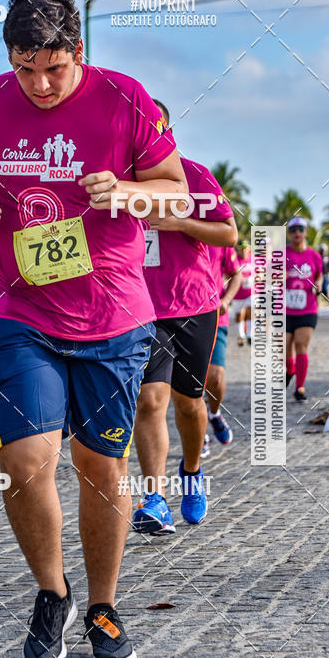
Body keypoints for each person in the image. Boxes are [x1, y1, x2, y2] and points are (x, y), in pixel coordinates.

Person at [0, 0, 187, 658]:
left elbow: (174, 189)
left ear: (78, 52)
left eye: (52, 67)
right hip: (16, 311)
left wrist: (131, 192)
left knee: (98, 465)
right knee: (25, 464)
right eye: (25, 68)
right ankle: (52, 593)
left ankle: (104, 604)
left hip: (112, 314)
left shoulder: (125, 98)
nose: (40, 84)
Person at [132, 100, 238, 537]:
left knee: (189, 404)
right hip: (140, 307)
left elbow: (228, 233)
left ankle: (192, 472)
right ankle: (154, 499)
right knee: (149, 400)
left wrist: (182, 224)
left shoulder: (193, 175)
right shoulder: (118, 180)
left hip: (194, 305)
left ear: (164, 128)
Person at [204, 245, 243, 450]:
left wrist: (226, 300)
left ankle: (214, 412)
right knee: (191, 381)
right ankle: (197, 431)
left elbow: (236, 275)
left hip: (216, 315)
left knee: (215, 376)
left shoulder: (217, 230)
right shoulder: (169, 226)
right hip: (180, 316)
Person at [286, 217, 323, 401]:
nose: (297, 233)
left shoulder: (314, 256)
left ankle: (300, 387)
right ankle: (290, 370)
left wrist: (319, 285)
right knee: (283, 349)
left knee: (301, 344)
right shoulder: (282, 254)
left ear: (306, 232)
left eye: (300, 229)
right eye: (293, 230)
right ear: (289, 234)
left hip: (307, 309)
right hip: (285, 311)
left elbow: (320, 276)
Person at [231, 241, 253, 345]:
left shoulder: (253, 260)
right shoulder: (235, 260)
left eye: (246, 248)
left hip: (251, 292)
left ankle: (250, 335)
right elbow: (228, 274)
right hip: (237, 293)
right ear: (238, 250)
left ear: (249, 249)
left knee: (251, 309)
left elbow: (261, 272)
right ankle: (241, 335)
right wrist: (241, 279)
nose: (244, 251)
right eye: (241, 249)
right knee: (239, 315)